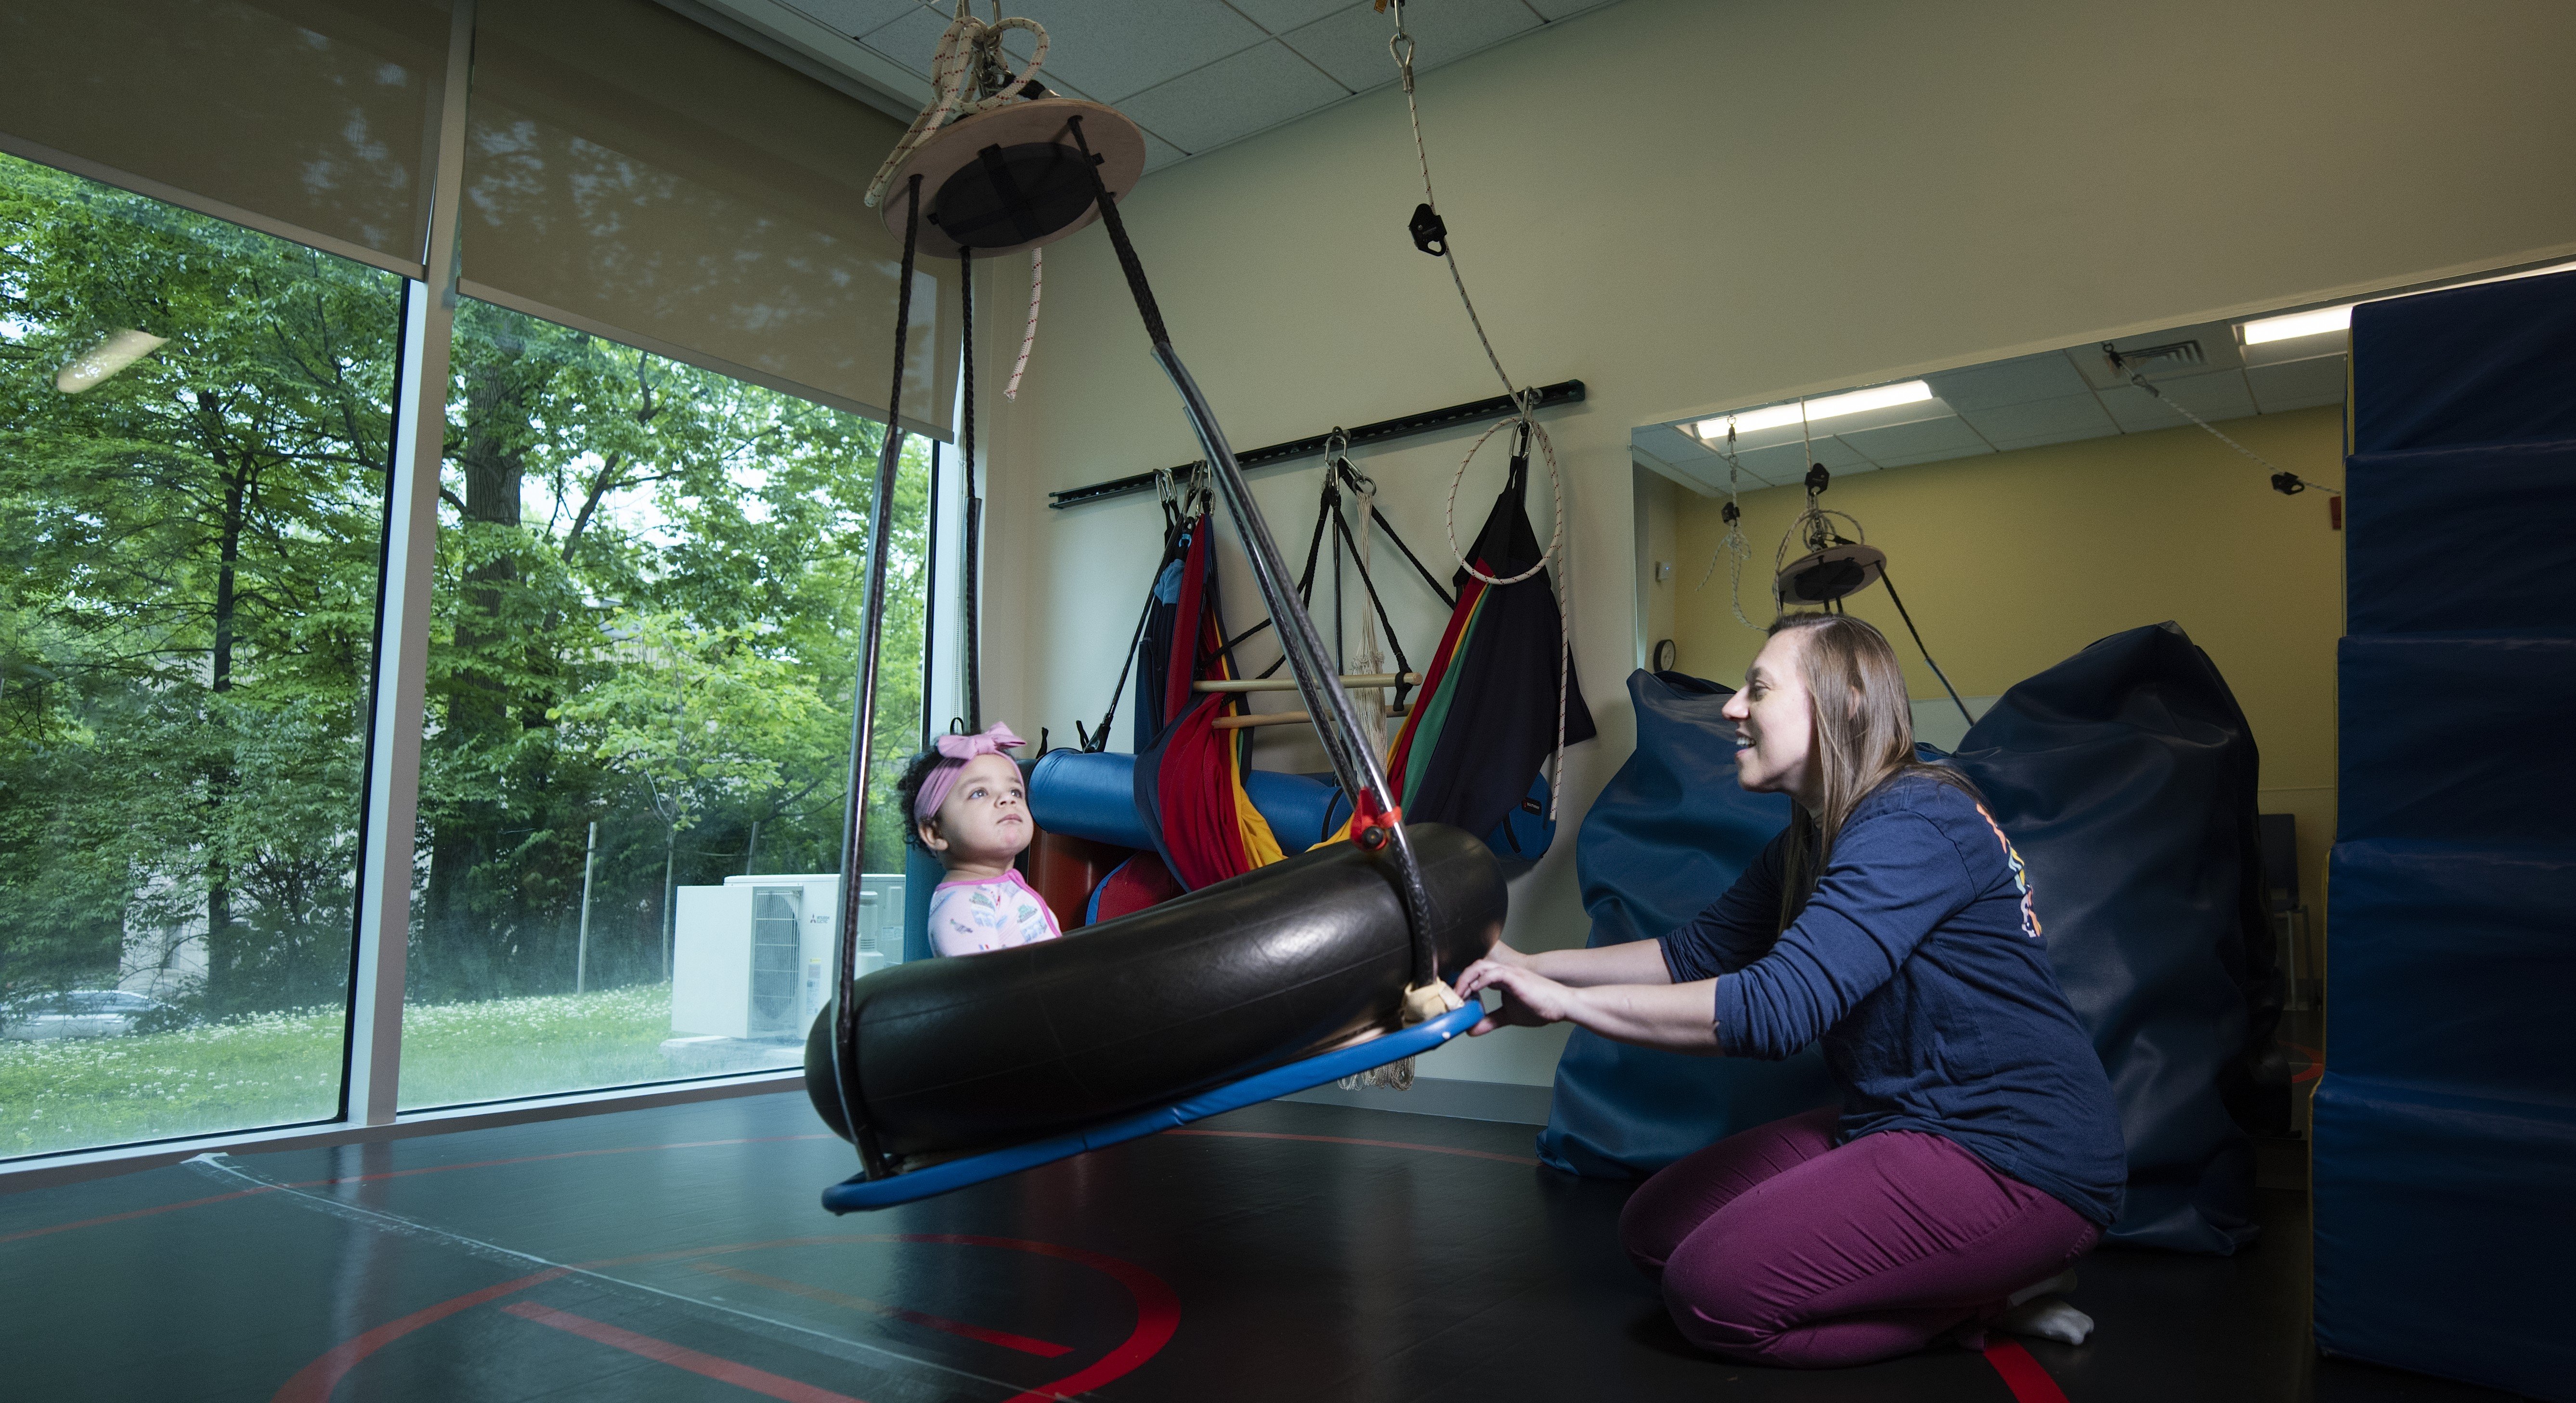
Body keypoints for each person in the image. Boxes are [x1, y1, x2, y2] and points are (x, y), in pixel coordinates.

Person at [1455, 614, 2125, 1368]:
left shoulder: (1914, 818)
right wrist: (1527, 963)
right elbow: (1692, 953)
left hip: (2017, 1156)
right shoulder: (1811, 835)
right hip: (1904, 1118)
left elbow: (1776, 1008)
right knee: (1653, 1231)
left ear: (1839, 704)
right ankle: (1966, 1275)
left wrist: (1568, 1007)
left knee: (1713, 1295)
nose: (1731, 707)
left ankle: (1984, 1299)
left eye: (1758, 688)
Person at [896, 724, 1063, 957]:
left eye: (1015, 792)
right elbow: (984, 990)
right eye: (979, 793)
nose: (1007, 799)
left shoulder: (998, 889)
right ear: (935, 833)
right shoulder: (961, 908)